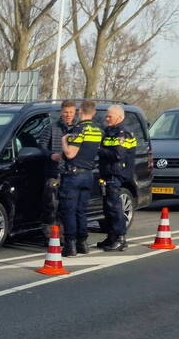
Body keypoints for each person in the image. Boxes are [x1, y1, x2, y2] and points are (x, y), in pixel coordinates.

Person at [58, 99, 103, 257]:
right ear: (94, 112)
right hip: (88, 174)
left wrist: (64, 141)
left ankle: (70, 245)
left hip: (74, 175)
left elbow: (70, 153)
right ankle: (82, 243)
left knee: (69, 210)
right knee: (81, 210)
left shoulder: (79, 129)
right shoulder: (97, 130)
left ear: (80, 111)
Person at [96, 104, 137, 251]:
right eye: (106, 116)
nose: (106, 118)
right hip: (108, 173)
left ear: (119, 117)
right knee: (108, 208)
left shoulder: (122, 133)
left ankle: (120, 238)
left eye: (109, 116)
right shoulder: (109, 131)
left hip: (116, 174)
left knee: (114, 207)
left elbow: (117, 155)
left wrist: (98, 150)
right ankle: (111, 237)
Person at [39, 99, 78, 235]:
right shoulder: (51, 128)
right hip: (54, 173)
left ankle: (67, 236)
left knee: (69, 207)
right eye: (66, 112)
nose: (68, 115)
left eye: (71, 112)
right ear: (61, 112)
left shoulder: (79, 129)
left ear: (75, 112)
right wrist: (51, 155)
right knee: (52, 207)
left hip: (73, 174)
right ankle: (52, 237)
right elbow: (42, 147)